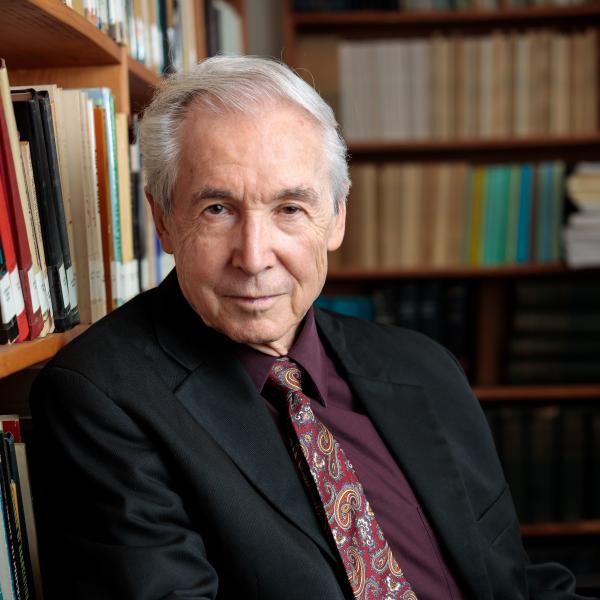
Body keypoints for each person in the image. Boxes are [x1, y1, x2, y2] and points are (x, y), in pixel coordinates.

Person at [30, 56, 594, 600]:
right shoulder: (102, 397)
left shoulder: (426, 367)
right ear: (163, 220)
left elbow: (516, 583)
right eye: (218, 209)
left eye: (290, 209)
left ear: (336, 218)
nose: (255, 257)